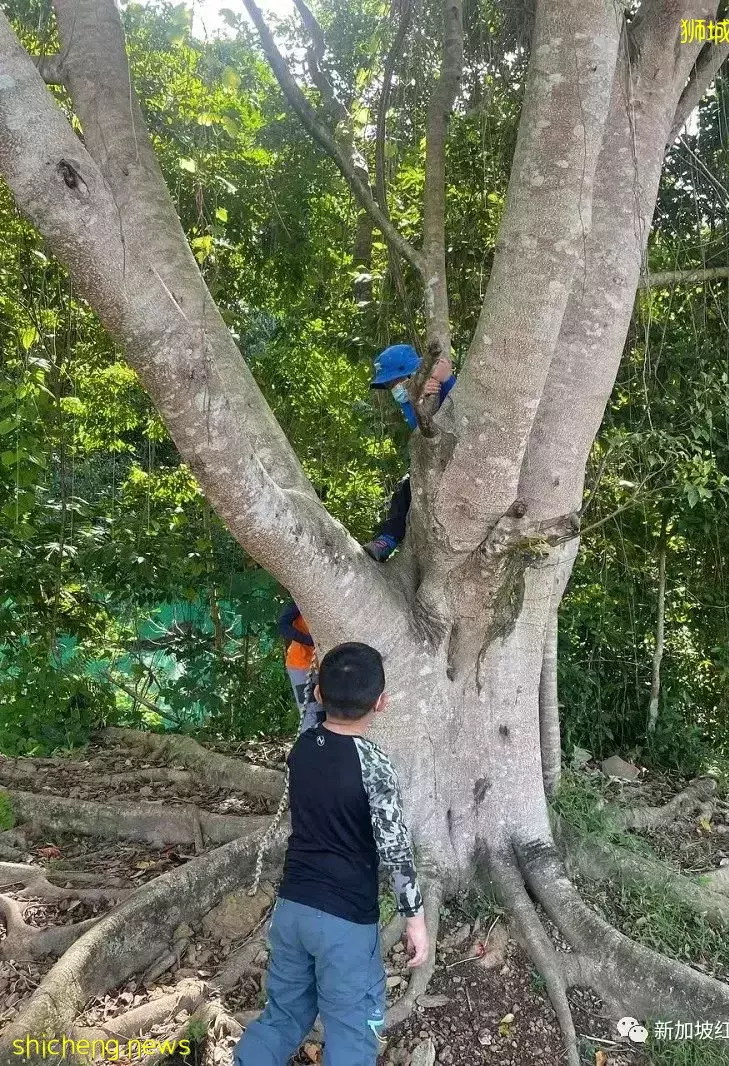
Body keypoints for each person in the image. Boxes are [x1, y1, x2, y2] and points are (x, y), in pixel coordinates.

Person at [234, 642, 428, 1066]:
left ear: (318, 694)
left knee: (283, 1015)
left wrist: (311, 665)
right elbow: (395, 848)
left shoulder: (302, 748)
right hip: (345, 923)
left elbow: (309, 703)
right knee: (353, 1032)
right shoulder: (374, 764)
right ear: (382, 702)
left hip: (292, 910)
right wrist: (415, 921)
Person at [363, 344, 455, 562]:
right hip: (430, 463)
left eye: (398, 381)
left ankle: (389, 538)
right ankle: (388, 539)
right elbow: (420, 429)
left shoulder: (438, 386)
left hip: (456, 460)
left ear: (414, 374)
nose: (395, 387)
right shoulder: (409, 401)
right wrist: (419, 400)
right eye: (390, 384)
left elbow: (461, 409)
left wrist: (446, 379)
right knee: (405, 491)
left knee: (408, 488)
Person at [276, 599, 323, 731]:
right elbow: (282, 625)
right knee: (311, 712)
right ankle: (308, 749)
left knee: (326, 713)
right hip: (301, 664)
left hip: (326, 665)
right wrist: (309, 640)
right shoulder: (300, 600)